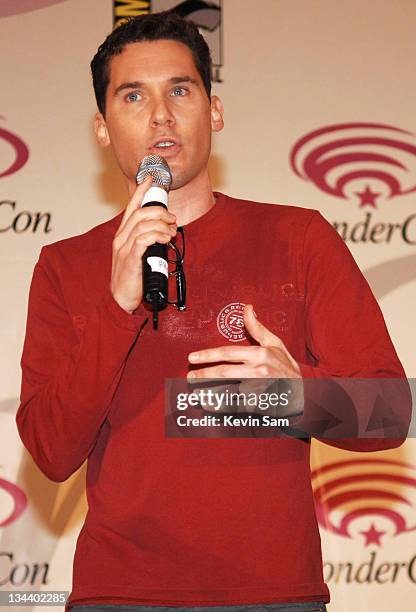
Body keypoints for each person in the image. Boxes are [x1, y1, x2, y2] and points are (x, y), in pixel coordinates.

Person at [16, 11, 411, 612]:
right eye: (132, 96)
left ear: (214, 110)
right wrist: (117, 305)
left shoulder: (297, 238)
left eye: (180, 89)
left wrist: (298, 394)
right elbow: (49, 451)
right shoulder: (65, 266)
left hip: (273, 593)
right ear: (102, 128)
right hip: (120, 594)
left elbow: (390, 413)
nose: (160, 116)